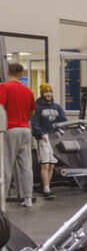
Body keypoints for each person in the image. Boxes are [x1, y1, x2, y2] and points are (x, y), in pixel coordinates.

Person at [0, 62, 36, 208]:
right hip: (26, 129)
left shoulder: (4, 87)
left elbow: (0, 108)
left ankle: (3, 197)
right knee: (27, 165)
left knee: (6, 165)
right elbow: (32, 112)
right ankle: (28, 198)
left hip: (10, 129)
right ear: (22, 74)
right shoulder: (28, 90)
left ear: (8, 72)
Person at [31, 83, 67, 199]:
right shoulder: (37, 107)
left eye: (50, 92)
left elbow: (64, 121)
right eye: (46, 92)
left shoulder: (57, 107)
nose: (48, 94)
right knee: (45, 164)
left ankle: (47, 187)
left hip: (55, 138)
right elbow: (34, 124)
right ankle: (46, 189)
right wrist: (41, 135)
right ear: (42, 94)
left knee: (51, 166)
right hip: (44, 139)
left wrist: (61, 132)